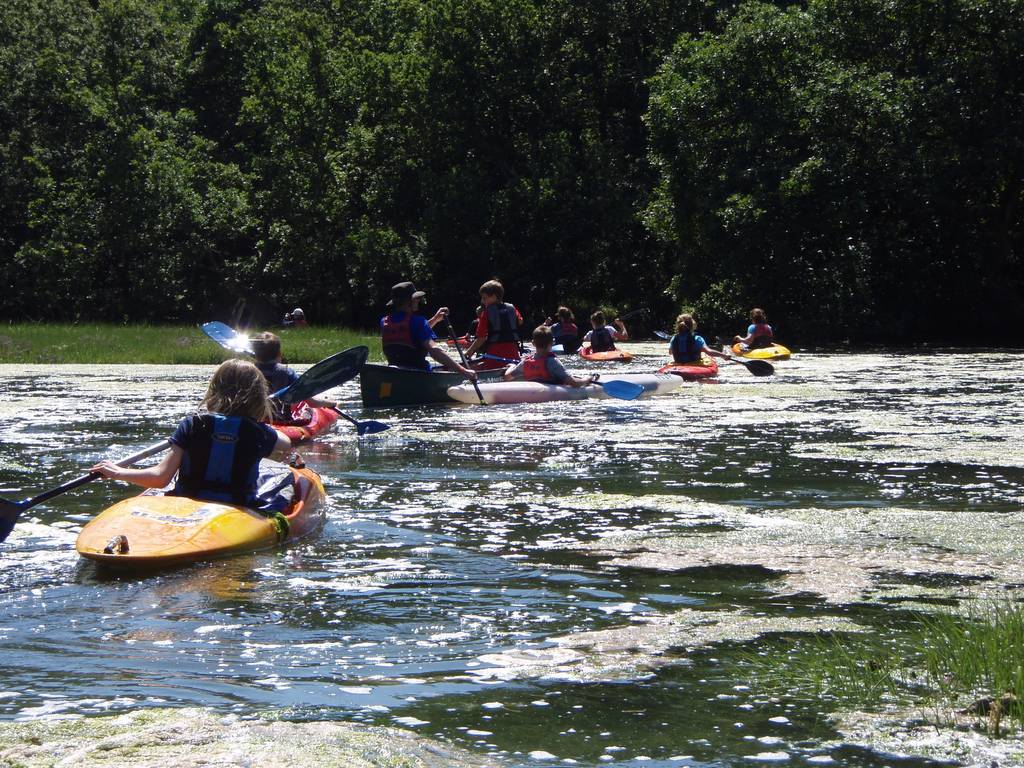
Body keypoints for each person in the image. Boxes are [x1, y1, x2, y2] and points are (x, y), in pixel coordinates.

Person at [90, 359, 292, 507]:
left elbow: (160, 478)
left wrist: (118, 472)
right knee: (287, 480)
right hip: (236, 508)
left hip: (187, 504)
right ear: (258, 397)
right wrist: (261, 424)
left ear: (214, 390)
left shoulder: (192, 424)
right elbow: (286, 443)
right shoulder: (258, 432)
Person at [380, 281, 477, 378]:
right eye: (416, 298)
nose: (418, 300)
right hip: (419, 375)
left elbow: (413, 333)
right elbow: (434, 350)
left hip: (394, 374)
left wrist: (435, 319)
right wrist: (464, 371)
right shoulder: (418, 321)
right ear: (410, 301)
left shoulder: (384, 322)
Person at [251, 332, 338, 423]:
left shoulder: (248, 371)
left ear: (255, 354)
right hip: (280, 422)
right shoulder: (287, 372)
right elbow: (312, 402)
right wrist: (331, 403)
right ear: (280, 353)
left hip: (252, 422)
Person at [504, 326, 595, 387]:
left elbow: (507, 376)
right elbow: (573, 383)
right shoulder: (552, 362)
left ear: (533, 343)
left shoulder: (526, 362)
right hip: (550, 395)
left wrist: (512, 366)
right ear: (552, 343)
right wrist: (587, 379)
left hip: (531, 394)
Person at [465, 280, 523, 369]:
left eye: (484, 298)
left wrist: (469, 352)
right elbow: (520, 322)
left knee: (474, 367)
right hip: (513, 356)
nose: (482, 301)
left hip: (494, 356)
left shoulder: (486, 313)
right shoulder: (512, 308)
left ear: (494, 297)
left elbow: (481, 338)